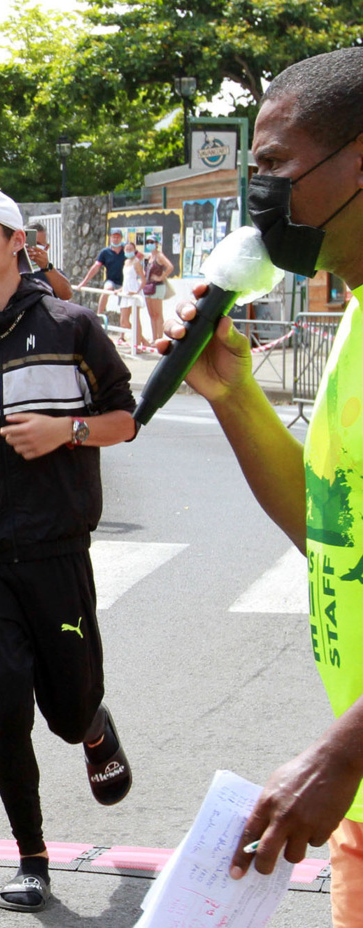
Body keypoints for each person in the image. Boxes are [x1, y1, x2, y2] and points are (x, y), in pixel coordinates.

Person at [161, 48, 363, 928]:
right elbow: (332, 537)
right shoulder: (353, 317)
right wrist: (234, 394)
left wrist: (339, 753)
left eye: (277, 166)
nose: (261, 195)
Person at [0, 187, 136, 913]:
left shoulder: (73, 326)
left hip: (54, 549)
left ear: (18, 242)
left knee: (67, 713)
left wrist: (65, 433)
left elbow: (124, 420)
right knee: (4, 699)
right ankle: (32, 858)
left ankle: (94, 726)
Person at [78, 229, 126, 314]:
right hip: (111, 280)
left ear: (121, 238)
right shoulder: (105, 252)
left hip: (124, 282)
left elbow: (139, 257)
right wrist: (84, 282)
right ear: (110, 238)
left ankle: (124, 322)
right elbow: (96, 267)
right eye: (114, 237)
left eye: (118, 237)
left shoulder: (126, 250)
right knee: (107, 289)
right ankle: (99, 315)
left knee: (124, 307)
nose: (116, 239)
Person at [24, 220, 73, 300]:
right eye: (30, 243)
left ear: (46, 248)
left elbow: (66, 295)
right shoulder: (12, 269)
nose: (33, 247)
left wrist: (47, 267)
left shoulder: (50, 272)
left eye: (38, 244)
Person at [142, 235, 174, 341]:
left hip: (157, 287)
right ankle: (154, 337)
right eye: (148, 242)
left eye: (152, 242)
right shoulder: (148, 257)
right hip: (148, 286)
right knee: (151, 314)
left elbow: (170, 266)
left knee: (158, 313)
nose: (150, 244)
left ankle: (160, 337)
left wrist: (161, 277)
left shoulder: (159, 256)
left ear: (156, 244)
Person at [117, 242, 147, 346]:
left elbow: (143, 280)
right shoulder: (126, 262)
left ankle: (137, 344)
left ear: (134, 250)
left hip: (133, 291)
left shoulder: (136, 262)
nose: (128, 251)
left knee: (135, 319)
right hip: (126, 291)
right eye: (126, 249)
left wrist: (136, 291)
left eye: (130, 249)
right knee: (124, 320)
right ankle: (143, 340)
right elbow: (126, 280)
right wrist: (120, 289)